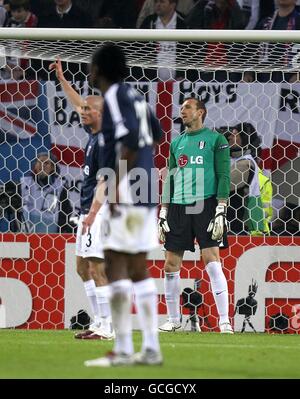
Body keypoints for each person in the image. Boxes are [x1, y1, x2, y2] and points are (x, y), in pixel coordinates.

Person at [83, 43, 163, 367]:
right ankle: (151, 348)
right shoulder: (138, 97)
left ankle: (124, 349)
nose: (89, 71)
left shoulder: (114, 95)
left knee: (114, 263)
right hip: (146, 187)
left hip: (129, 191)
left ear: (99, 70)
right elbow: (155, 135)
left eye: (91, 66)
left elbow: (130, 139)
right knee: (138, 267)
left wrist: (115, 187)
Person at [49, 59, 114, 340]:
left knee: (97, 268)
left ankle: (108, 327)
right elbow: (78, 103)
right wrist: (63, 80)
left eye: (88, 109)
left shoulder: (107, 142)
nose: (82, 112)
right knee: (81, 267)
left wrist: (92, 214)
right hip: (88, 210)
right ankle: (99, 322)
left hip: (98, 212)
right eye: (83, 108)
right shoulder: (94, 133)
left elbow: (106, 181)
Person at [158, 97, 233, 334]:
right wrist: (163, 210)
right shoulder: (176, 142)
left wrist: (221, 207)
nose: (183, 111)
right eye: (181, 109)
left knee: (211, 260)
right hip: (178, 207)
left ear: (201, 112)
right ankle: (173, 319)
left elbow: (223, 175)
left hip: (206, 204)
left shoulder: (216, 140)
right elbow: (170, 176)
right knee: (170, 264)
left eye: (187, 108)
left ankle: (224, 321)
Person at [226, 123, 272, 235]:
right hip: (236, 228)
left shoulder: (246, 164)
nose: (229, 137)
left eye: (235, 135)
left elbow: (223, 184)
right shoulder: (234, 161)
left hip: (242, 231)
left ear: (245, 139)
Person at [20, 151, 74, 233]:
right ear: (35, 166)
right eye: (40, 162)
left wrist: (60, 231)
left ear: (53, 167)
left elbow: (66, 210)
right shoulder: (24, 183)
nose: (43, 165)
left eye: (46, 163)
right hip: (26, 233)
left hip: (51, 235)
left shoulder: (60, 186)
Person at [135, 0, 187, 81]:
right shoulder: (148, 22)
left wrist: (183, 75)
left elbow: (191, 53)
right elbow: (139, 51)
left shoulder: (184, 23)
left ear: (172, 5)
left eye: (162, 2)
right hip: (152, 82)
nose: (158, 4)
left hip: (179, 82)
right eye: (156, 2)